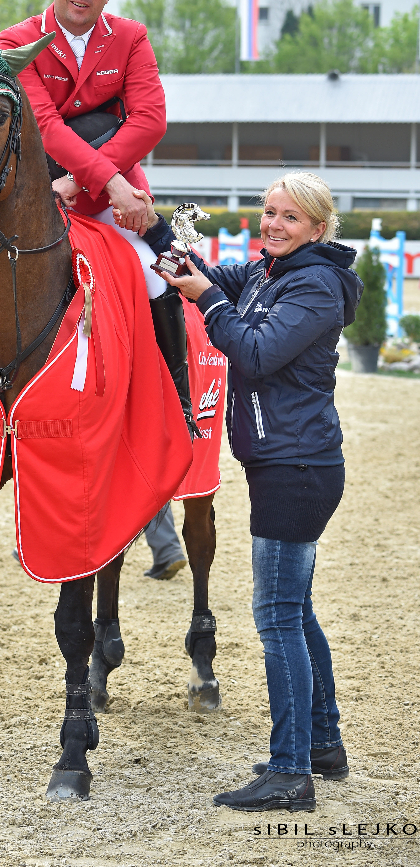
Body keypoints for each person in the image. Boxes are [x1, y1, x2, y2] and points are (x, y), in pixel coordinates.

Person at [141, 172, 361, 811]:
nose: (272, 225)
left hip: (297, 468)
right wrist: (151, 224)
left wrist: (207, 301)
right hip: (287, 463)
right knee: (297, 609)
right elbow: (209, 272)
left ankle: (291, 770)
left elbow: (256, 353)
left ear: (317, 229)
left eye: (288, 217)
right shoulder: (272, 270)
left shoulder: (315, 284)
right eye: (268, 213)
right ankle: (322, 744)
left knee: (276, 616)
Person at [0, 0, 196, 439]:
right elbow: (47, 128)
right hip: (37, 191)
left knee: (156, 275)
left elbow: (149, 121)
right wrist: (106, 182)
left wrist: (93, 187)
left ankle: (179, 402)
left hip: (112, 198)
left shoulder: (131, 37)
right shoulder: (14, 43)